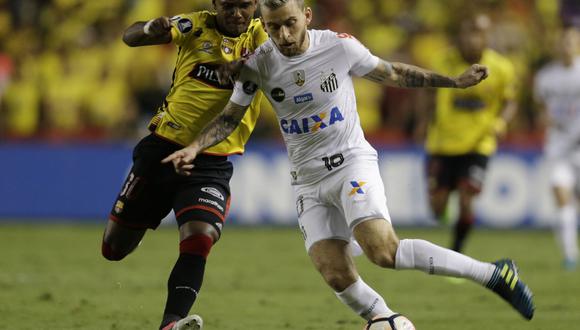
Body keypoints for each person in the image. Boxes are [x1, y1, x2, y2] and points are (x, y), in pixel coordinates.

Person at [163, 0, 535, 326]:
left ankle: (494, 274)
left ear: (306, 16)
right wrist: (195, 147)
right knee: (335, 272)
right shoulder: (259, 64)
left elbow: (395, 73)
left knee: (383, 251)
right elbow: (230, 117)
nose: (284, 34)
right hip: (306, 180)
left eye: (290, 23)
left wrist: (454, 83)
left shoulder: (338, 48)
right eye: (273, 26)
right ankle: (386, 319)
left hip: (350, 164)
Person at [100, 1, 268, 330]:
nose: (237, 14)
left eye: (245, 6)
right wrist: (152, 28)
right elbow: (130, 37)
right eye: (229, 6)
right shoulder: (195, 25)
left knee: (201, 236)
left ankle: (171, 324)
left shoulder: (263, 36)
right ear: (215, 4)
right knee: (113, 249)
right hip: (161, 151)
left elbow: (283, 49)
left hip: (210, 161)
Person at [421, 14, 518, 253]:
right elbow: (429, 93)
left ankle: (457, 248)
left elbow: (510, 101)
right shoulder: (442, 61)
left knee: (466, 199)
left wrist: (501, 123)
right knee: (436, 208)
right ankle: (444, 209)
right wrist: (423, 120)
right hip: (443, 143)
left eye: (480, 33)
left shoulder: (502, 67)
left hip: (479, 143)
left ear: (487, 36)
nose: (474, 39)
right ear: (460, 35)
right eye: (470, 32)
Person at [534, 26, 580, 271]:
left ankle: (565, 231)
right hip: (558, 148)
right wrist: (547, 120)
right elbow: (542, 107)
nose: (566, 46)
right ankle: (570, 256)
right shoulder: (545, 77)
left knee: (572, 204)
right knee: (562, 196)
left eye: (571, 41)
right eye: (563, 41)